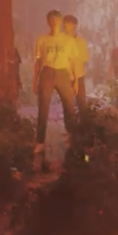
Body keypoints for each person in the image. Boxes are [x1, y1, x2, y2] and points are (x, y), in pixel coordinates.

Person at [33, 10, 78, 172]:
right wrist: (35, 80)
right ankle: (40, 142)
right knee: (43, 107)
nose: (53, 23)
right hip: (47, 72)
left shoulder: (68, 40)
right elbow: (38, 61)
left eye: (56, 20)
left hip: (63, 73)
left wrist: (75, 80)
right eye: (50, 20)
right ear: (48, 22)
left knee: (69, 106)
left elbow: (73, 61)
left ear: (60, 21)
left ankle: (72, 137)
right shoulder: (42, 40)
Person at [63, 15, 90, 122]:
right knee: (67, 103)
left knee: (81, 102)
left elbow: (84, 60)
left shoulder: (81, 42)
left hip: (79, 76)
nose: (65, 27)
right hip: (66, 77)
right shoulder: (62, 41)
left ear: (74, 26)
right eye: (64, 24)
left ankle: (84, 125)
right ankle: (70, 126)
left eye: (67, 24)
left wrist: (79, 76)